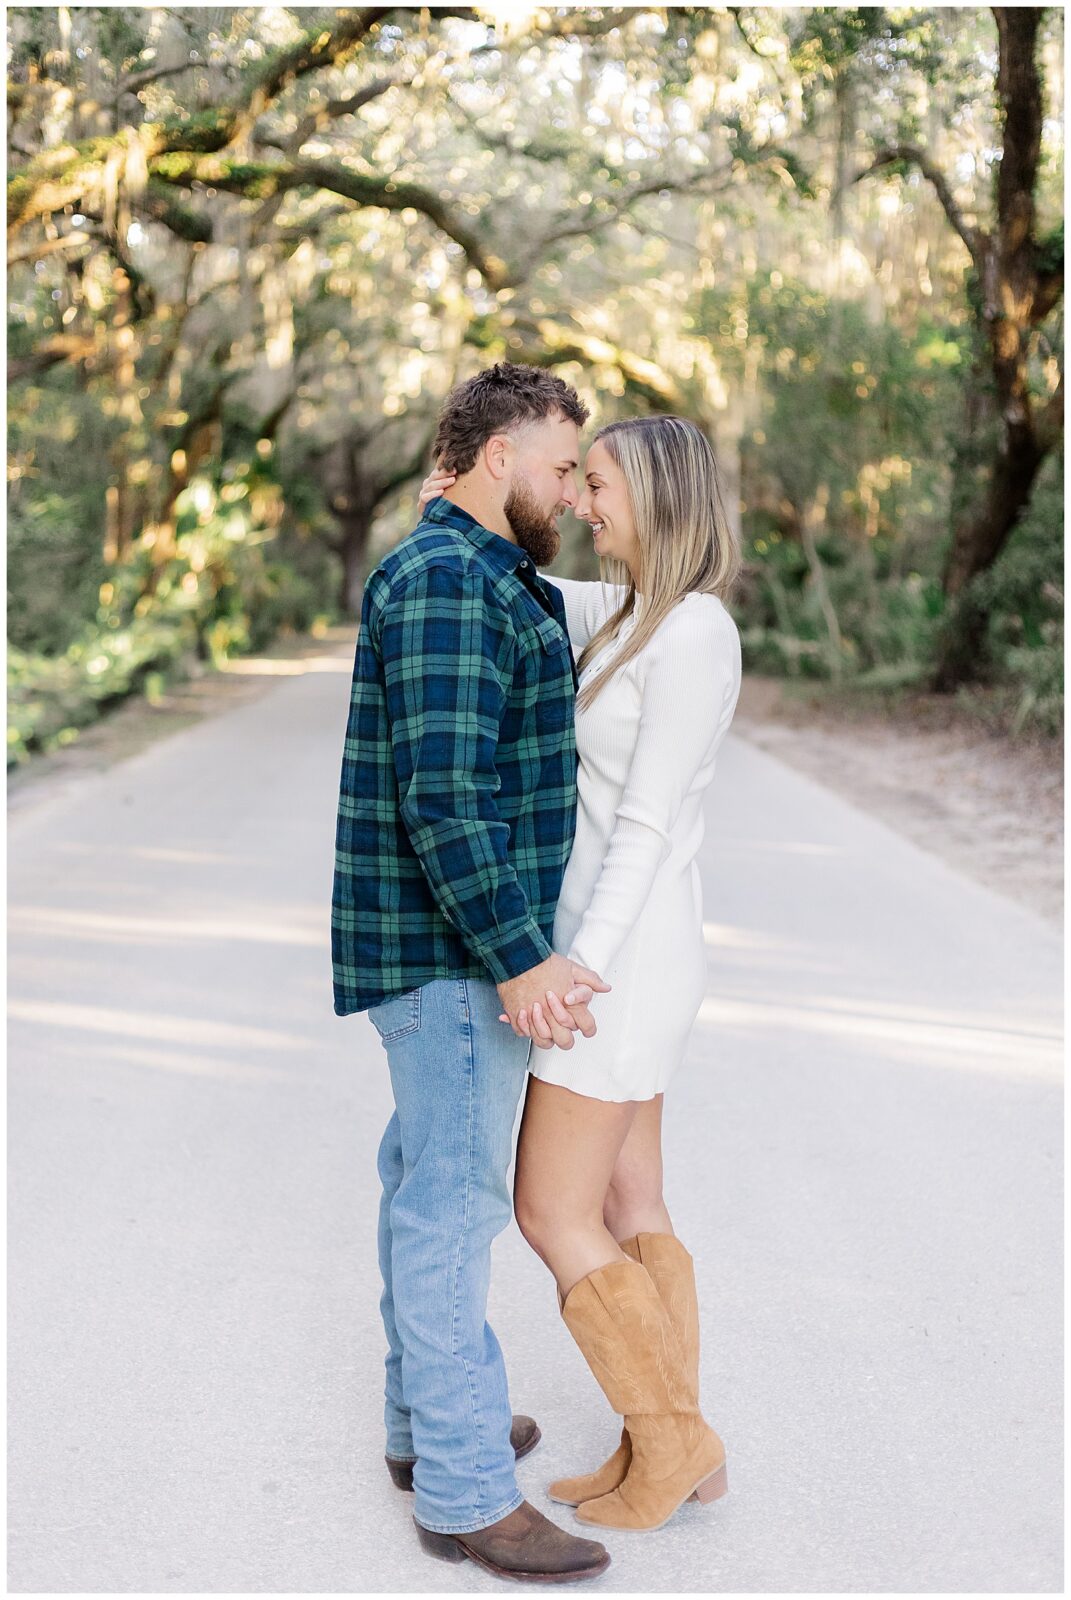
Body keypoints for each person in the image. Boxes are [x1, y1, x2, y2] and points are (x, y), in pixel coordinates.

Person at [418, 412, 743, 1534]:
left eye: (595, 484)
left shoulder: (693, 632)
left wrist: (574, 971)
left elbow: (645, 826)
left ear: (653, 494)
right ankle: (673, 1446)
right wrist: (455, 496)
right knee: (630, 1196)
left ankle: (669, 1435)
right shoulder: (628, 617)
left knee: (551, 1207)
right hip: (628, 952)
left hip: (624, 956)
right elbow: (522, 586)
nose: (579, 503)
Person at [331, 363, 615, 1583]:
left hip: (443, 953)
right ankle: (461, 1488)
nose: (570, 491)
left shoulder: (483, 575)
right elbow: (444, 800)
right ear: (499, 455)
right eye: (562, 466)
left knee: (419, 1181)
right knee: (453, 1209)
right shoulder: (452, 579)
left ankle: (418, 1424)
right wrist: (523, 959)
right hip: (455, 956)